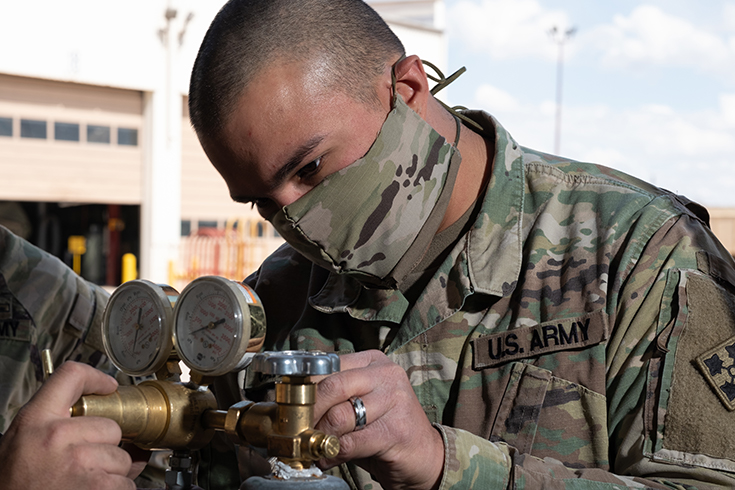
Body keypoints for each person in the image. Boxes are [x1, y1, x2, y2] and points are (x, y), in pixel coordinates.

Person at [187, 0, 735, 489]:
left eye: (310, 168)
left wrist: (445, 465)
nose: (297, 222)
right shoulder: (272, 306)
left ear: (407, 91)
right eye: (262, 201)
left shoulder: (641, 255)